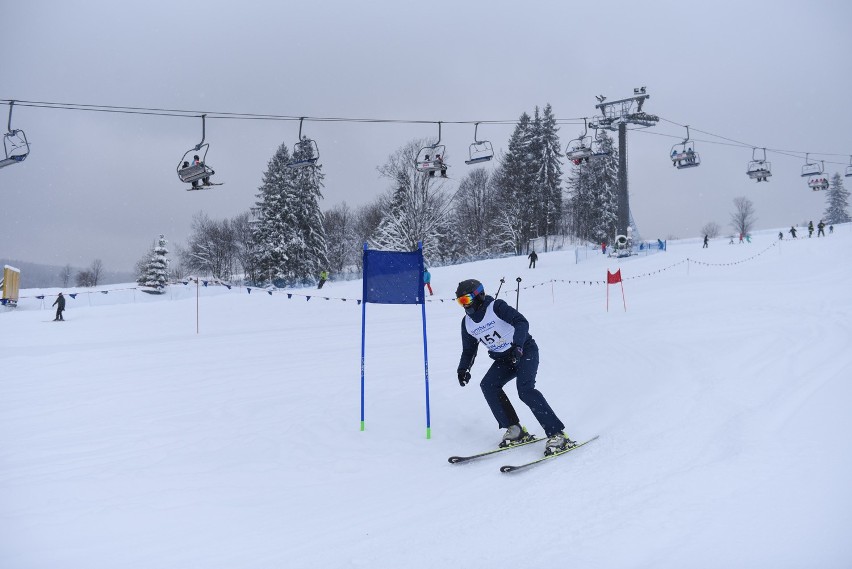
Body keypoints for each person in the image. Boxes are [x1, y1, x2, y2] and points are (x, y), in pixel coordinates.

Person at [454, 279, 573, 456]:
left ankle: (557, 434)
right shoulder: (467, 323)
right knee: (488, 385)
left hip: (524, 351)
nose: (464, 305)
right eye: (460, 301)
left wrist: (518, 345)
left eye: (466, 299)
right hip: (503, 359)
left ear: (478, 295)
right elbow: (469, 349)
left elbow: (521, 322)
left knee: (525, 390)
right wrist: (463, 369)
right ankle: (515, 429)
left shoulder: (496, 307)